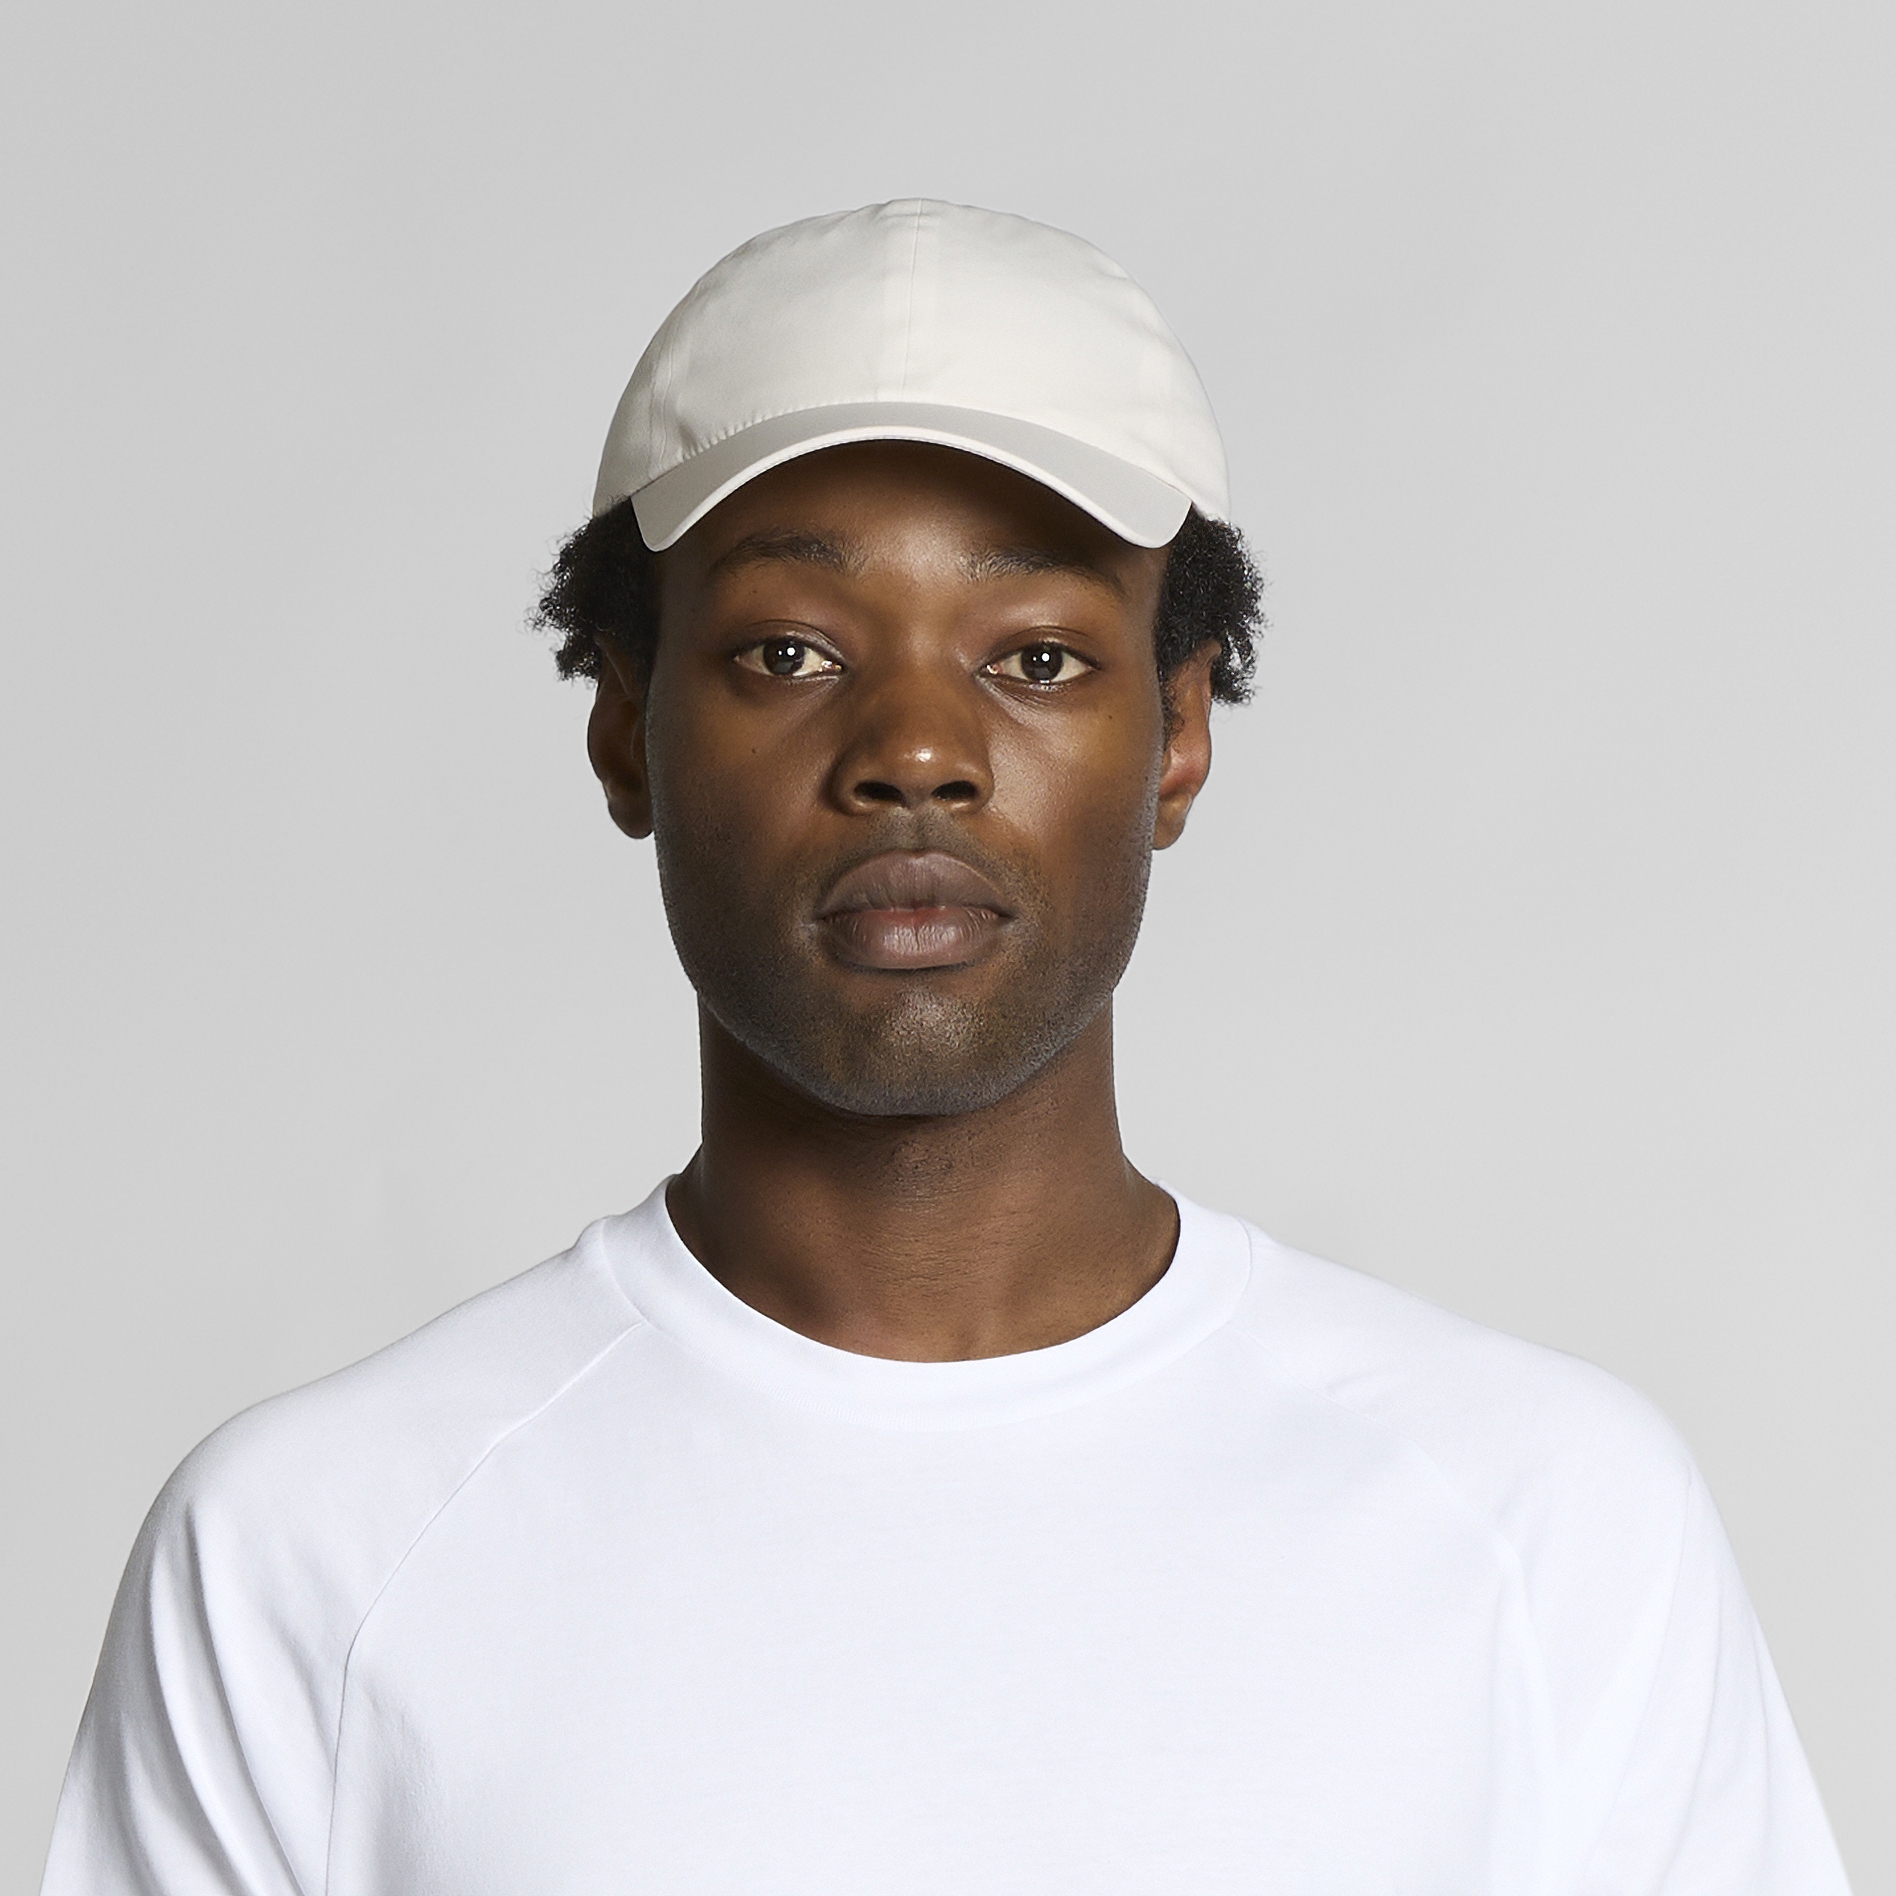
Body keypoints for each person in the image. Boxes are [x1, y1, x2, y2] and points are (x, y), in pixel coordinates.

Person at [41, 200, 1849, 1895]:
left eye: (1036, 659)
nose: (916, 749)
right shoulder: (313, 1549)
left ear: (1178, 737)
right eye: (790, 653)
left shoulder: (1550, 1521)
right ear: (625, 730)